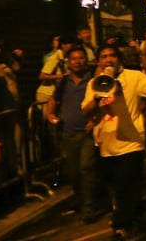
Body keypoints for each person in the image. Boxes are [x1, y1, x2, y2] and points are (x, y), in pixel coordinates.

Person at [82, 43, 146, 239]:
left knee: (125, 183)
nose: (108, 60)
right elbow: (85, 110)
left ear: (119, 59)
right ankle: (136, 213)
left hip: (131, 141)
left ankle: (121, 225)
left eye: (112, 56)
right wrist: (98, 98)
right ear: (99, 62)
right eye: (104, 57)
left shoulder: (134, 77)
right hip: (106, 143)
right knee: (117, 187)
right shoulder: (95, 83)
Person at [46, 46, 98, 223]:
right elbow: (54, 100)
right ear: (68, 62)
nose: (78, 61)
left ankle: (88, 208)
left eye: (81, 58)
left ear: (86, 60)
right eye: (74, 58)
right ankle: (80, 198)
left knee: (86, 168)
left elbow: (102, 100)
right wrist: (50, 114)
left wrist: (94, 120)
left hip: (87, 133)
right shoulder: (62, 82)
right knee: (74, 172)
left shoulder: (93, 80)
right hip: (68, 134)